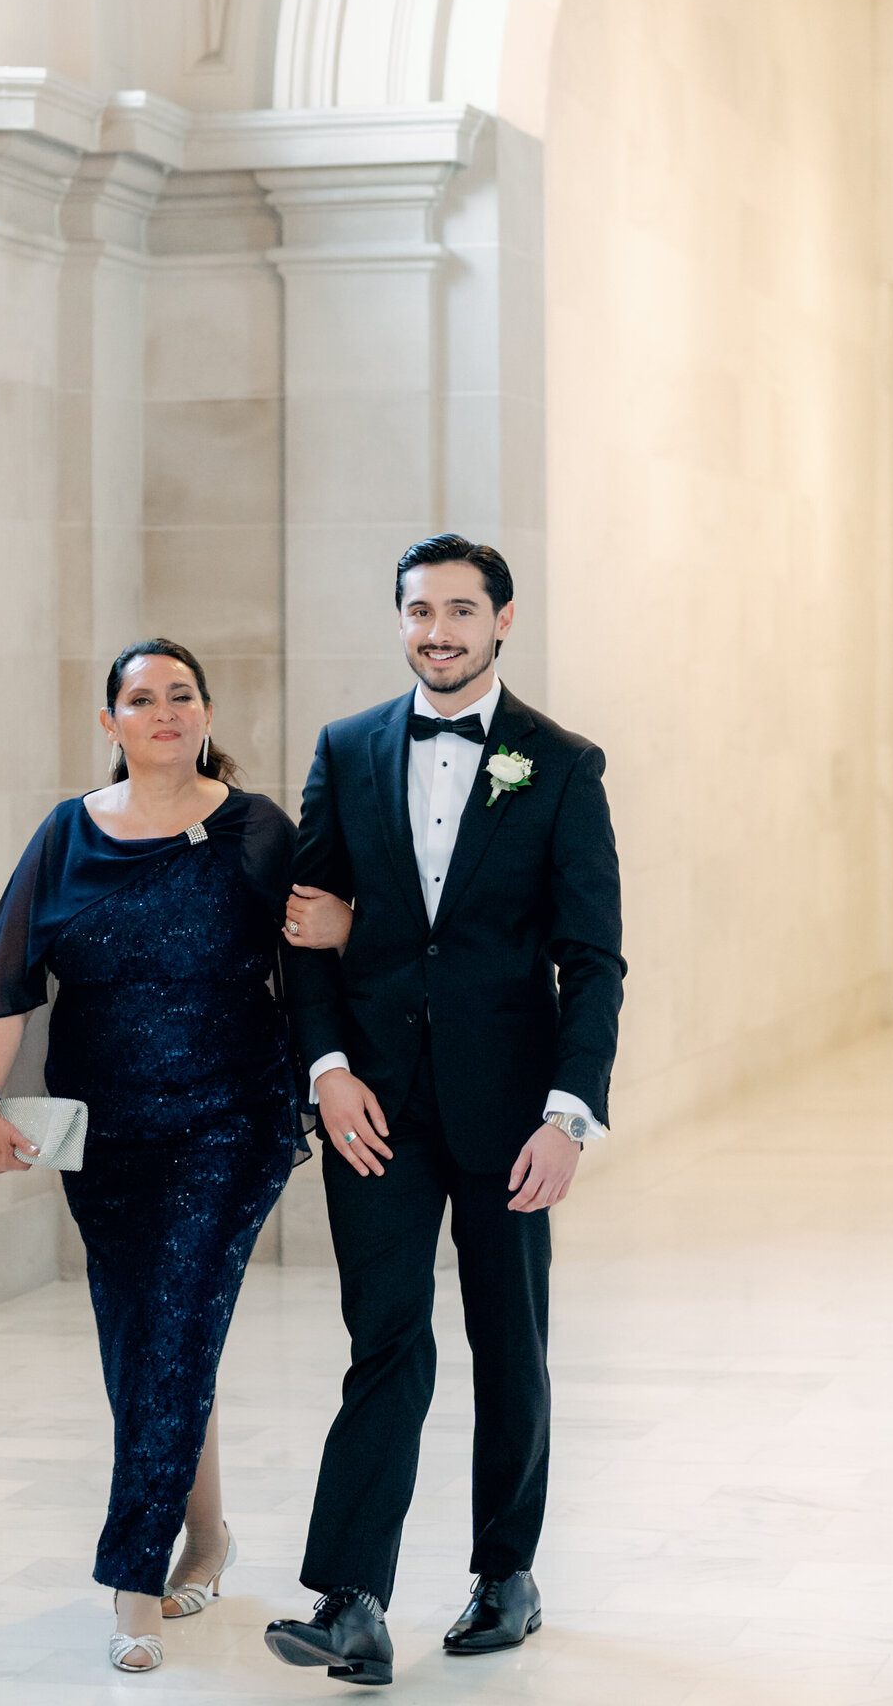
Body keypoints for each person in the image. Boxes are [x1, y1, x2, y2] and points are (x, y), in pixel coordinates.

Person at [266, 535, 625, 1687]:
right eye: (420, 610)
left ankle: (505, 1573)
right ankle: (352, 1597)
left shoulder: (560, 764)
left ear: (503, 621)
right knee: (384, 1336)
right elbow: (305, 926)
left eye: (462, 611)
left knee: (508, 1342)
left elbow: (593, 959)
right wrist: (325, 1066)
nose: (439, 631)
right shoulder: (347, 747)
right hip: (373, 1105)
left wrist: (568, 1118)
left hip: (512, 1111)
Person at [0, 638, 305, 1675]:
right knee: (147, 1337)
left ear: (204, 712)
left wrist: (338, 937)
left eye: (181, 695)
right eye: (141, 698)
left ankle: (133, 1581)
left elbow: (318, 960)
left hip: (234, 1119)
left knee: (175, 1322)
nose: (163, 711)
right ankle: (211, 1531)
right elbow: (4, 978)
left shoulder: (254, 828)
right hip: (108, 1132)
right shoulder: (67, 836)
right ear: (110, 724)